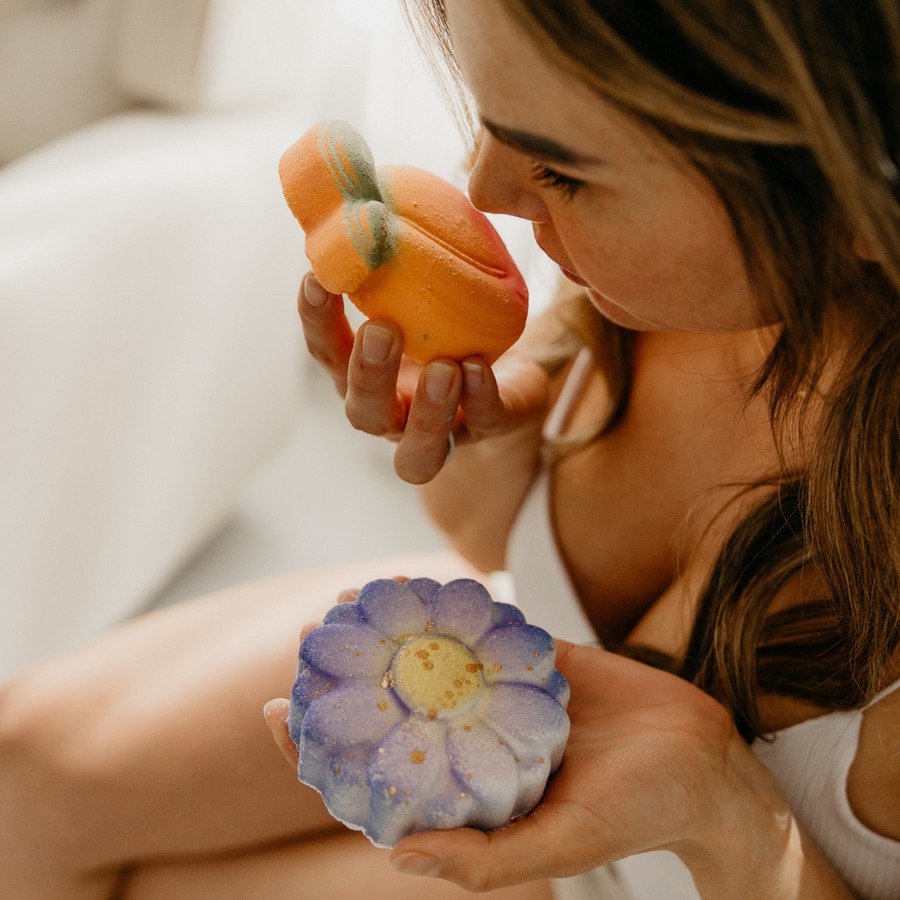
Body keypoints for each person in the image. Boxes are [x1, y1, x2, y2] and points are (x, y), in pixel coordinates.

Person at [0, 0, 897, 897]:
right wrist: (487, 442)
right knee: (25, 771)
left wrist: (726, 807)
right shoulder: (672, 291)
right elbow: (490, 544)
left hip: (666, 877)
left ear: (858, 201)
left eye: (562, 169)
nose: (482, 190)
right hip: (510, 669)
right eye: (488, 119)